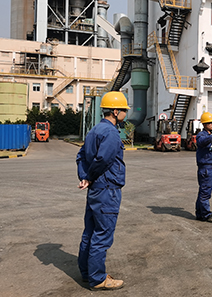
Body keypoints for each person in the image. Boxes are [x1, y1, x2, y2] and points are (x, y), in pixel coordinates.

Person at [76, 91, 129, 291]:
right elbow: (103, 160)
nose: (125, 113)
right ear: (115, 111)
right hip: (107, 190)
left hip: (95, 190)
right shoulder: (111, 133)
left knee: (90, 232)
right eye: (123, 110)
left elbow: (81, 156)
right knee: (102, 235)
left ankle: (87, 273)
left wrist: (84, 177)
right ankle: (98, 278)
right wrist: (89, 177)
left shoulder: (94, 130)